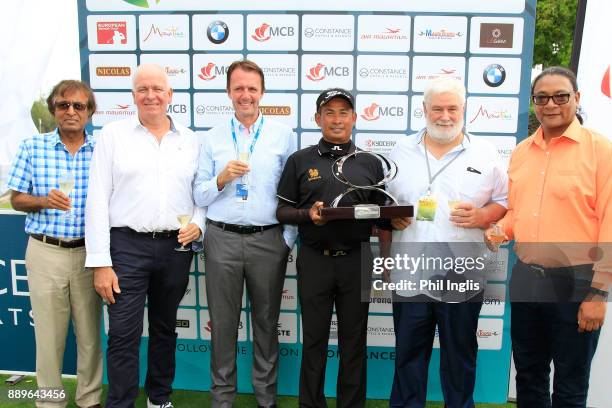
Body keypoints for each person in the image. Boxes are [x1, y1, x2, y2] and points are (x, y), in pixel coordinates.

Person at [485, 66, 612, 408]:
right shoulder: (522, 152)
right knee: (528, 375)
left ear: (577, 99)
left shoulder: (602, 151)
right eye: (542, 98)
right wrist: (500, 230)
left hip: (578, 280)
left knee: (570, 383)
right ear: (534, 103)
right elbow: (518, 211)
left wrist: (599, 294)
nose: (551, 104)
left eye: (561, 96)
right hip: (527, 278)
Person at [85, 64, 205, 408]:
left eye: (157, 89)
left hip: (176, 247)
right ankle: (120, 403)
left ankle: (159, 399)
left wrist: (199, 222)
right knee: (123, 334)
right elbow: (97, 198)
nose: (150, 95)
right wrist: (100, 262)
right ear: (133, 96)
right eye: (142, 89)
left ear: (170, 95)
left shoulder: (190, 140)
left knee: (165, 329)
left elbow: (201, 194)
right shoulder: (112, 135)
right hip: (126, 247)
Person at [386, 77, 508, 408]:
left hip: (462, 274)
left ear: (463, 109)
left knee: (460, 358)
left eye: (452, 108)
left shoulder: (485, 153)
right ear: (424, 110)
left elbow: (504, 201)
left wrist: (484, 216)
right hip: (410, 272)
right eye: (437, 108)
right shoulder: (400, 150)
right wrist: (389, 218)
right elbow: (385, 204)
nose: (445, 115)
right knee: (409, 358)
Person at [276, 88, 389, 408]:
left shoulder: (370, 163)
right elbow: (282, 212)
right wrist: (307, 216)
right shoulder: (300, 160)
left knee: (354, 343)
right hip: (315, 260)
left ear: (354, 118)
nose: (336, 119)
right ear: (317, 118)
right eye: (329, 112)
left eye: (343, 113)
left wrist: (387, 254)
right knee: (313, 341)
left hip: (357, 260)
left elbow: (381, 216)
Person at [193, 59, 297, 408]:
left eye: (252, 88)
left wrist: (287, 240)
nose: (245, 95)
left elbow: (292, 193)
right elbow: (199, 194)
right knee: (223, 326)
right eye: (238, 88)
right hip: (221, 238)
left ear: (262, 92)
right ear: (228, 92)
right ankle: (222, 400)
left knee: (266, 324)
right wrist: (222, 178)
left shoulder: (283, 136)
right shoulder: (212, 138)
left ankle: (265, 400)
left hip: (269, 240)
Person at [6, 80, 102, 408]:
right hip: (46, 251)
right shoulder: (32, 147)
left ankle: (89, 399)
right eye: (64, 105)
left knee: (90, 336)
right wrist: (44, 200)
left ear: (90, 112)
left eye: (79, 106)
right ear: (53, 110)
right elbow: (16, 200)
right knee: (48, 338)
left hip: (91, 254)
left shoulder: (103, 148)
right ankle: (50, 402)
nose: (71, 111)